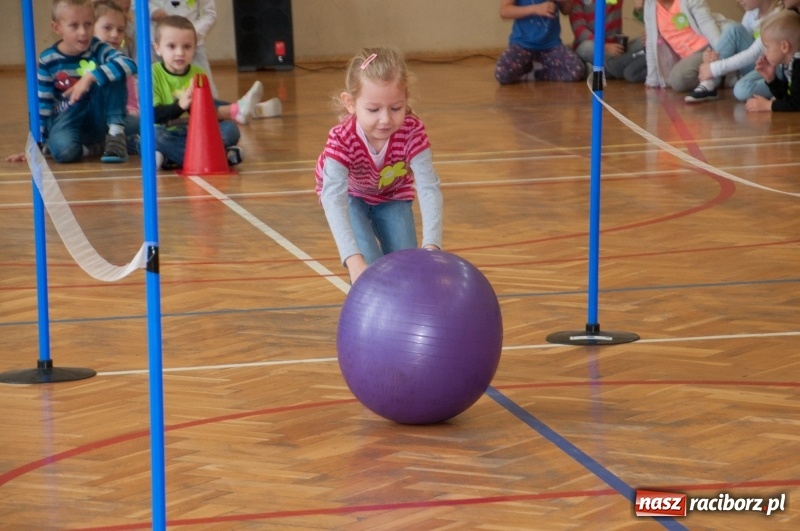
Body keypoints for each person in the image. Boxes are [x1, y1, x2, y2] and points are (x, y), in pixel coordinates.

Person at [315, 47, 443, 284]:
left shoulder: (412, 131)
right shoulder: (342, 139)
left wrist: (432, 245)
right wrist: (354, 261)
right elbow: (333, 198)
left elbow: (429, 187)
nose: (386, 119)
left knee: (407, 269)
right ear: (350, 103)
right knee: (370, 272)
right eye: (373, 110)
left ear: (405, 99)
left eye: (396, 108)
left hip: (392, 195)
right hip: (351, 196)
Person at [5, 0, 136, 164]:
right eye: (74, 26)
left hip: (100, 115)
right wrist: (35, 146)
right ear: (57, 28)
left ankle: (116, 134)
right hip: (68, 116)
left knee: (116, 74)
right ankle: (100, 146)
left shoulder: (98, 48)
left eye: (88, 24)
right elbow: (43, 106)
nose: (83, 32)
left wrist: (89, 77)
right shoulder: (48, 60)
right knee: (65, 152)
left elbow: (130, 64)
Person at [144, 15, 268, 169]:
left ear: (194, 48)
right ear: (157, 48)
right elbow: (153, 116)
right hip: (168, 133)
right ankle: (218, 157)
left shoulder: (199, 74)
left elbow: (206, 115)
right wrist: (180, 106)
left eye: (187, 47)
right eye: (171, 46)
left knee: (231, 129)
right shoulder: (152, 74)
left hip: (196, 134)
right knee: (152, 138)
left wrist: (194, 106)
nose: (180, 53)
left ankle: (174, 159)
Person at [687, 0, 783, 102]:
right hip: (759, 66)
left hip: (773, 70)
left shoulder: (778, 15)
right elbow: (737, 42)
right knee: (733, 29)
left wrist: (714, 68)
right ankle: (709, 83)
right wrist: (711, 57)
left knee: (741, 90)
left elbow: (754, 53)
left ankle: (779, 90)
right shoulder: (751, 13)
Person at [642, 0, 727, 92]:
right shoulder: (650, 4)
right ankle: (715, 75)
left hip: (706, 48)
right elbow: (651, 42)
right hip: (686, 57)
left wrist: (721, 53)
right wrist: (652, 79)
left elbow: (707, 23)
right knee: (673, 78)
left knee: (677, 79)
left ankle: (719, 75)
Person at [495, 0, 586, 84]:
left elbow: (566, 11)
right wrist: (535, 9)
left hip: (551, 45)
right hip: (522, 44)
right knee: (502, 73)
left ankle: (535, 72)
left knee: (576, 71)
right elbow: (504, 11)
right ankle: (528, 67)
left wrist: (566, 2)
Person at [148, 0, 219, 98]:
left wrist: (190, 35)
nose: (179, 53)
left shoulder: (199, 71)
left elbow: (210, 14)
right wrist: (153, 10)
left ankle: (235, 108)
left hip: (193, 45)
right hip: (159, 44)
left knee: (208, 93)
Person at [569, 0, 647, 83]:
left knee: (644, 42)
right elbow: (579, 30)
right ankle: (621, 68)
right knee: (585, 47)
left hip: (618, 50)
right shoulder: (577, 2)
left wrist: (639, 7)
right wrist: (604, 46)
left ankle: (605, 71)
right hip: (594, 47)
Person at [745, 9, 800, 112]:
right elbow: (785, 96)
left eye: (767, 47)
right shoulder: (789, 63)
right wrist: (771, 79)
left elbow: (797, 103)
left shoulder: (798, 64)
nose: (764, 52)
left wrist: (768, 105)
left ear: (784, 46)